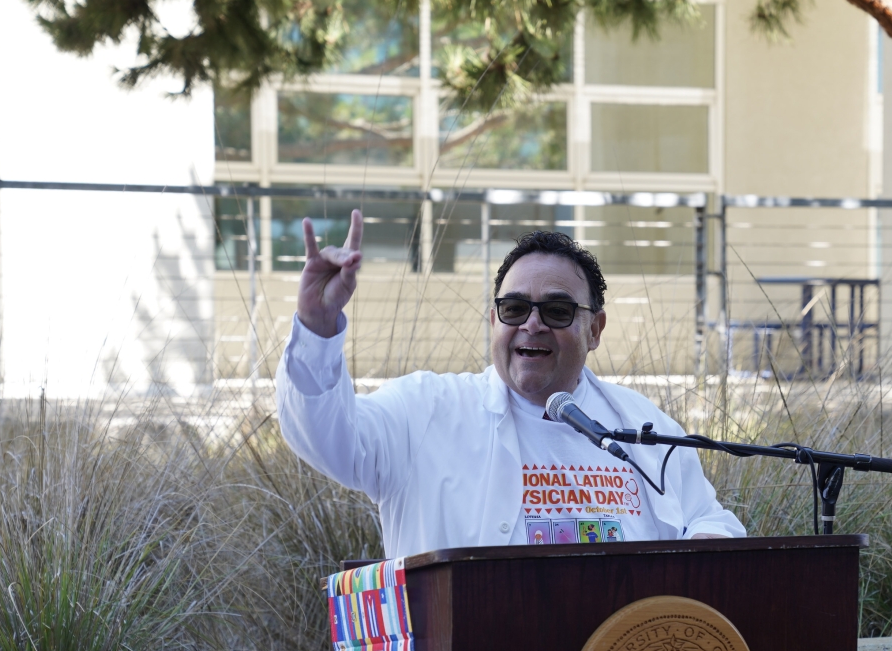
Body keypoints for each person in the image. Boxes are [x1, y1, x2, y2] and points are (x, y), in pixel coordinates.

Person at [276, 209, 745, 559]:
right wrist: (317, 326)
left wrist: (711, 541)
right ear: (495, 319)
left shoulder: (644, 427)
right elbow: (328, 439)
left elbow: (707, 517)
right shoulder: (425, 410)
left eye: (557, 311)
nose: (532, 324)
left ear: (595, 329)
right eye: (515, 309)